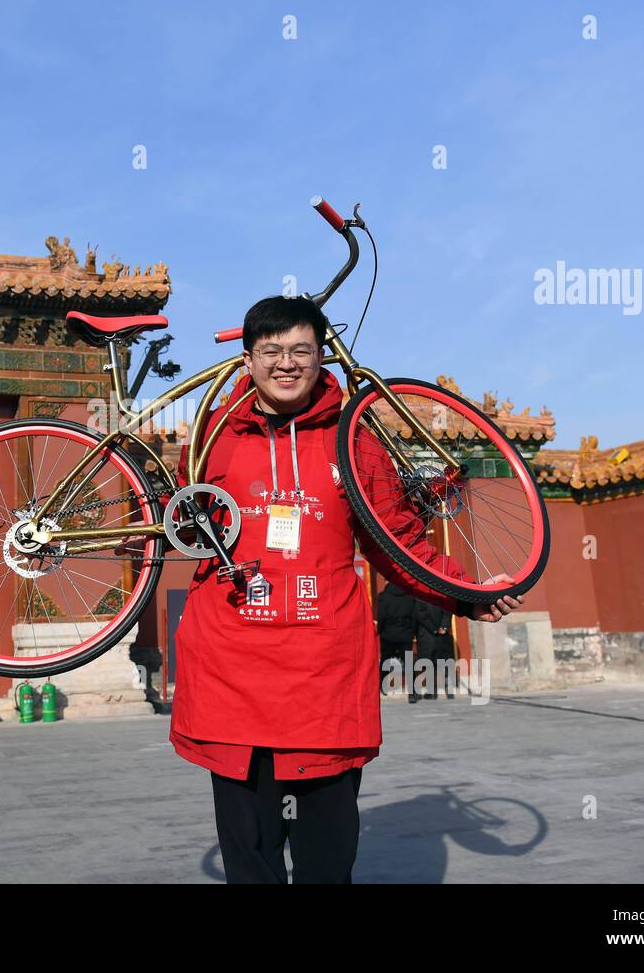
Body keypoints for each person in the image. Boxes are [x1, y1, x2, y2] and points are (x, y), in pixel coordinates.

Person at [167, 295, 522, 884]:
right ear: (248, 360)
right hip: (232, 667)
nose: (286, 364)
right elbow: (186, 525)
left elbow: (397, 538)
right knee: (249, 860)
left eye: (301, 350)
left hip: (322, 674)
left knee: (327, 859)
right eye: (271, 351)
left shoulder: (355, 439)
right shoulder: (213, 435)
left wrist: (463, 593)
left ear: (321, 356)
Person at [376, 580, 418, 702]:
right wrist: (412, 632)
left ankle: (382, 687)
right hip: (405, 635)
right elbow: (414, 617)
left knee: (385, 660)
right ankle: (412, 692)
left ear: (386, 583)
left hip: (388, 635)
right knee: (409, 663)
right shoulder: (409, 597)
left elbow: (381, 616)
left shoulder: (383, 597)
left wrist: (380, 631)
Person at [414, 597, 457, 699]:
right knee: (435, 663)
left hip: (428, 635)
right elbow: (446, 612)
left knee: (436, 663)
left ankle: (437, 691)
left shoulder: (420, 596)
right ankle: (438, 691)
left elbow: (421, 614)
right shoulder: (440, 593)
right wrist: (443, 627)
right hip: (436, 634)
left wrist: (439, 628)